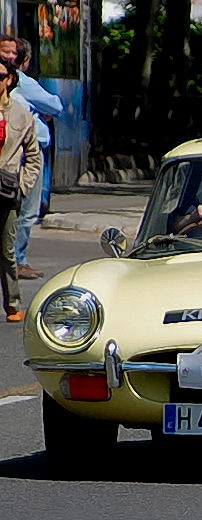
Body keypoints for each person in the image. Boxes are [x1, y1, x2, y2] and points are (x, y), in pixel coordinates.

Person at [0, 36, 61, 281]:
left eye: (13, 53)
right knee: (24, 211)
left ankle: (15, 259)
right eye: (5, 52)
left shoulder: (20, 83)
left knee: (25, 209)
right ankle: (16, 260)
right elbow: (54, 106)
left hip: (28, 153)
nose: (9, 57)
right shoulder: (22, 83)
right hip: (17, 156)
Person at [0, 60, 42, 323]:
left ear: (9, 80)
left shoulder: (21, 114)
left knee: (7, 251)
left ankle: (13, 304)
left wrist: (24, 185)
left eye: (0, 76)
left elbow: (34, 156)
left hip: (6, 191)